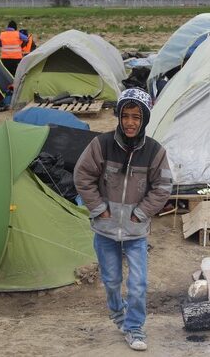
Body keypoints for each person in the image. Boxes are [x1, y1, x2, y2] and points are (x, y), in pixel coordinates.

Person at [74, 88, 172, 352]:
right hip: (105, 230)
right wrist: (98, 208)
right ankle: (118, 314)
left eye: (136, 118)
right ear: (118, 116)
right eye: (125, 116)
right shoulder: (102, 145)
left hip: (136, 231)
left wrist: (139, 213)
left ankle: (135, 327)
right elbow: (82, 176)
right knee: (112, 281)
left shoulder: (154, 151)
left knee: (138, 284)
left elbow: (163, 186)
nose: (130, 122)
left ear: (144, 121)